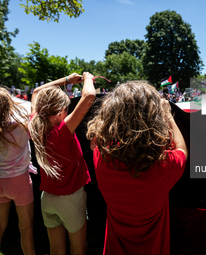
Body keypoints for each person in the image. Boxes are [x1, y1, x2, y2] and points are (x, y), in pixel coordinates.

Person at [86, 81, 188, 255]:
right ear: (154, 120)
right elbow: (181, 150)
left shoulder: (101, 160)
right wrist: (167, 114)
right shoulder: (165, 166)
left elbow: (97, 141)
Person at [29, 72, 96, 255]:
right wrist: (88, 77)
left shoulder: (35, 125)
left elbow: (36, 91)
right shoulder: (62, 131)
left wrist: (66, 80)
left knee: (56, 249)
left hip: (47, 199)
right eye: (66, 109)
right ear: (60, 112)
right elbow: (89, 96)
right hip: (70, 200)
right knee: (79, 249)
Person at [0, 87, 36, 255]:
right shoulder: (21, 123)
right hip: (19, 182)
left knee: (0, 226)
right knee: (26, 228)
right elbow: (33, 101)